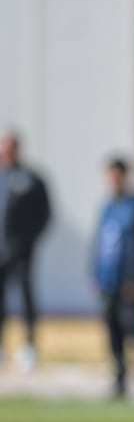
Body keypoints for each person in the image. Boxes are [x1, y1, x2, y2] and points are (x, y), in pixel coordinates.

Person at [92, 156, 134, 401]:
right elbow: (99, 244)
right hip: (107, 280)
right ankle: (119, 383)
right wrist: (95, 275)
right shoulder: (107, 206)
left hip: (127, 283)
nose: (114, 180)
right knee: (113, 335)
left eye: (117, 175)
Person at [0, 127, 52, 371]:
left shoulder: (30, 179)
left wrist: (28, 241)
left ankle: (29, 347)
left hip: (21, 252)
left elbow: (45, 215)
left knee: (25, 298)